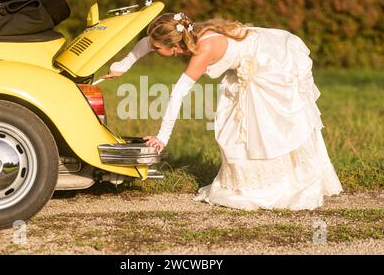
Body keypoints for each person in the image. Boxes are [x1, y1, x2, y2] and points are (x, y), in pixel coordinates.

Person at [99, 12, 343, 211]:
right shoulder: (184, 34)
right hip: (251, 54)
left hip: (269, 62)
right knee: (236, 125)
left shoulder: (202, 52)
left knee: (267, 126)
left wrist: (162, 137)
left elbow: (178, 93)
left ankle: (280, 184)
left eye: (157, 47)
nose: (152, 48)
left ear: (174, 47)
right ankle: (248, 179)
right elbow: (146, 44)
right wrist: (121, 66)